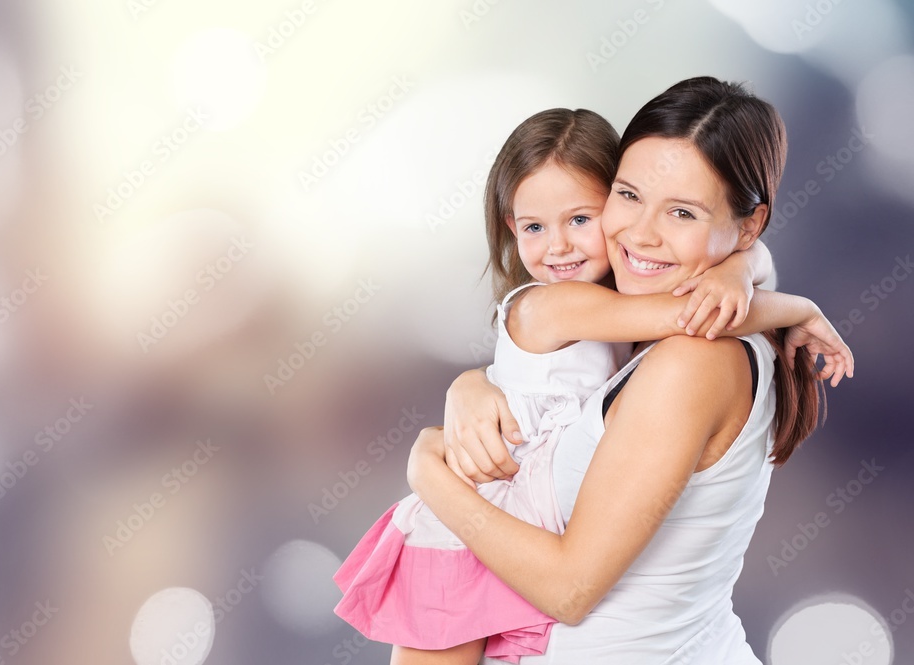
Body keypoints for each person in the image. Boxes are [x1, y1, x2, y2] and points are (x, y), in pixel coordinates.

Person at [337, 96, 853, 664]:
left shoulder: (693, 358)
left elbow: (570, 591)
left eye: (682, 212)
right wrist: (473, 383)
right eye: (629, 196)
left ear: (749, 224)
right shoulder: (625, 325)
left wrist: (427, 473)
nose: (642, 233)